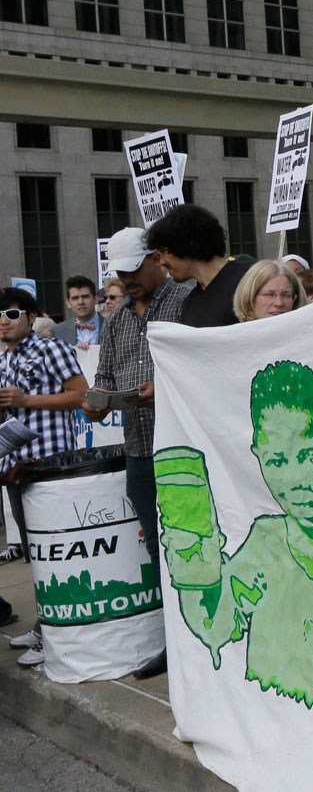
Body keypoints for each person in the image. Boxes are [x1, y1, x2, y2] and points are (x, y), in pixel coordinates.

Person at [156, 362, 313, 736]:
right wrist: (193, 562)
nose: (294, 478)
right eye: (276, 461)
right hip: (273, 737)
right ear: (257, 457)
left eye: (311, 457)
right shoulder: (264, 543)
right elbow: (214, 627)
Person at [81, 227, 192, 679]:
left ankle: (198, 643)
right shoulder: (118, 318)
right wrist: (95, 400)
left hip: (186, 446)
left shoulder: (186, 301)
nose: (126, 283)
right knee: (158, 548)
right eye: (119, 276)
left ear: (154, 259)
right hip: (140, 449)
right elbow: (103, 376)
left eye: (132, 272)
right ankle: (176, 643)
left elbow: (204, 368)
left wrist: (162, 389)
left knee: (193, 544)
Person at [0, 285, 87, 668]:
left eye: (11, 313)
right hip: (17, 469)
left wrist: (25, 400)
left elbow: (81, 396)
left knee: (59, 553)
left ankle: (60, 633)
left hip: (52, 469)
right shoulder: (4, 359)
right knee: (38, 555)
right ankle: (46, 624)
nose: (3, 321)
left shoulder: (51, 348)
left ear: (32, 317)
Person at [145, 204, 254, 328]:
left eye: (164, 252)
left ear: (183, 245)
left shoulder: (250, 281)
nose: (161, 262)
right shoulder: (189, 304)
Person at [232, 260, 307, 322]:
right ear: (249, 298)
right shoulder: (235, 338)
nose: (279, 303)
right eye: (270, 294)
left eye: (286, 295)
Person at [53, 276, 103, 346]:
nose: (81, 302)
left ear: (95, 299)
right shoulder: (58, 331)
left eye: (85, 296)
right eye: (75, 298)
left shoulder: (113, 327)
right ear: (68, 303)